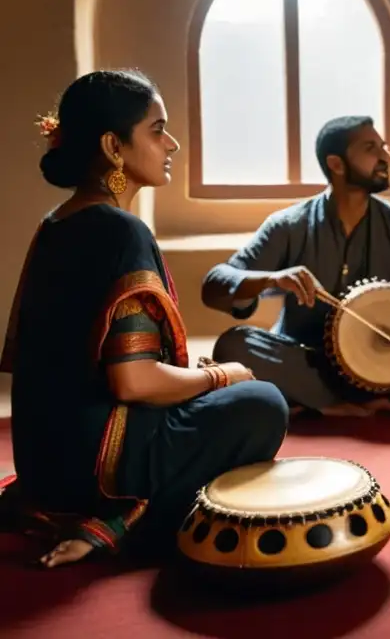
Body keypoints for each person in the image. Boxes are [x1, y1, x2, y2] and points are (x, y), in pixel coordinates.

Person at [0, 70, 289, 568]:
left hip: (43, 460)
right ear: (114, 146)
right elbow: (133, 382)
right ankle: (118, 524)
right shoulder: (120, 230)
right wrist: (222, 375)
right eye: (157, 129)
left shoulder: (58, 222)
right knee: (261, 403)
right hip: (97, 466)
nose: (171, 143)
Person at [201, 115, 390, 416]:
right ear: (336, 164)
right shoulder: (289, 225)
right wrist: (272, 279)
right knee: (234, 346)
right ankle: (345, 400)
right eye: (370, 148)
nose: (385, 156)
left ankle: (323, 399)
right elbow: (217, 281)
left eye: (384, 147)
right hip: (308, 358)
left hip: (386, 356)